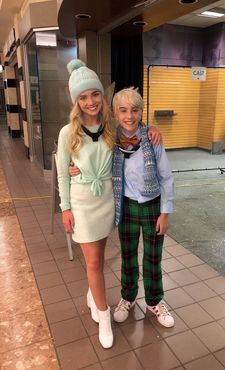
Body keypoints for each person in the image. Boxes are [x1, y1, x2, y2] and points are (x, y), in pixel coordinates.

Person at [57, 59, 161, 349]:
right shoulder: (67, 133)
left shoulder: (111, 127)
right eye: (83, 97)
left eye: (94, 94)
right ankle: (103, 315)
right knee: (92, 262)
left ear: (101, 96)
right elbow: (62, 174)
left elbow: (134, 128)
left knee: (99, 261)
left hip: (107, 201)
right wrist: (65, 208)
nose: (90, 101)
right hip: (81, 203)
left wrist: (152, 129)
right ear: (76, 101)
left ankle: (94, 295)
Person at [112, 87, 175, 328]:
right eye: (124, 110)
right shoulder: (111, 138)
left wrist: (165, 213)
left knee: (152, 257)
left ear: (141, 112)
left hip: (152, 206)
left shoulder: (152, 137)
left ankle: (154, 300)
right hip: (126, 206)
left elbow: (167, 177)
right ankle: (127, 297)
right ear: (116, 114)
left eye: (135, 110)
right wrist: (72, 168)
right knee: (127, 256)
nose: (129, 116)